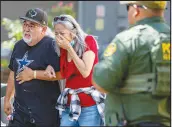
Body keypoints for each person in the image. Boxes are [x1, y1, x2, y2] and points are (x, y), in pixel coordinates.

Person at [16, 14, 106, 126]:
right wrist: (50, 65)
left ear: (73, 33)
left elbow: (85, 71)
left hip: (89, 106)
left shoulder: (88, 41)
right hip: (68, 104)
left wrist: (69, 48)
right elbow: (62, 73)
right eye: (56, 33)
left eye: (62, 33)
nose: (59, 37)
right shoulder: (61, 48)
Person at [92, 1, 170, 127]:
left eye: (128, 7)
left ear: (136, 9)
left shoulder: (128, 40)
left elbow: (102, 82)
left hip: (131, 122)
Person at [4, 8, 61, 127]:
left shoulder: (51, 45)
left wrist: (33, 74)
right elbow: (12, 72)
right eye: (25, 24)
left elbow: (60, 74)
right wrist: (7, 99)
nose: (27, 29)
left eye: (32, 25)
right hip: (20, 112)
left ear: (43, 29)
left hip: (44, 114)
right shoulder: (18, 46)